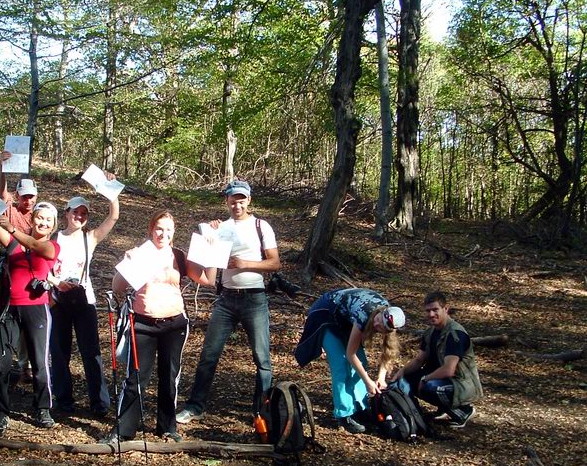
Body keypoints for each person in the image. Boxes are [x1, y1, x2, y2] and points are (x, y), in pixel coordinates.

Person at [101, 211, 215, 444]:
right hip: (142, 323)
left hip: (174, 324)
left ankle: (167, 427)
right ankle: (123, 430)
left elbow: (207, 280)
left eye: (169, 230)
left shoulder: (179, 256)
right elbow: (118, 287)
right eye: (159, 229)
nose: (163, 234)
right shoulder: (140, 253)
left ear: (174, 233)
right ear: (151, 229)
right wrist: (126, 265)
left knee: (169, 377)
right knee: (135, 378)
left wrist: (214, 255)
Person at [176, 179, 281, 425]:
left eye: (242, 199)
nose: (238, 203)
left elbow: (275, 263)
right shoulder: (220, 227)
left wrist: (245, 264)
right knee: (209, 355)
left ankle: (261, 411)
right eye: (233, 199)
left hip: (255, 298)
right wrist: (208, 234)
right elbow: (205, 256)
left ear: (249, 200)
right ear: (227, 201)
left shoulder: (260, 226)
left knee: (262, 358)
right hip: (226, 299)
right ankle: (195, 406)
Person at [0, 202, 60, 435]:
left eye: (48, 220)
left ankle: (42, 408)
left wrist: (12, 229)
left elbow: (35, 245)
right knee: (2, 362)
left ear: (54, 225)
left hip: (37, 308)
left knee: (40, 362)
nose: (43, 223)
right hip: (9, 308)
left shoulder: (52, 246)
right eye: (40, 218)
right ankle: (0, 413)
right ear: (33, 219)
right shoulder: (13, 242)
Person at [293, 288, 406, 434]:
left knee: (362, 363)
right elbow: (350, 354)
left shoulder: (392, 319)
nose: (377, 326)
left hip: (345, 319)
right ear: (379, 313)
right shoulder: (364, 314)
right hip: (325, 315)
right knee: (340, 363)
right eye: (378, 322)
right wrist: (367, 382)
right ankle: (344, 413)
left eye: (382, 328)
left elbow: (388, 352)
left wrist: (381, 378)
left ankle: (359, 408)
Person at [47, 193, 119, 416]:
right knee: (59, 352)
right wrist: (57, 283)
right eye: (75, 212)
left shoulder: (91, 238)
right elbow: (43, 270)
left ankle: (99, 403)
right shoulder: (53, 238)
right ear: (66, 212)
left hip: (84, 301)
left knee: (91, 353)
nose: (79, 216)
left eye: (83, 213)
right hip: (58, 301)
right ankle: (63, 401)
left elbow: (113, 216)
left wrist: (111, 192)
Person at [388, 291, 483, 429]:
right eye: (428, 311)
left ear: (446, 309)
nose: (431, 314)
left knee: (430, 387)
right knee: (406, 379)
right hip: (442, 379)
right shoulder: (430, 332)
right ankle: (423, 412)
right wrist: (401, 372)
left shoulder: (455, 334)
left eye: (435, 310)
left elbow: (449, 370)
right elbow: (420, 360)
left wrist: (425, 379)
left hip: (460, 384)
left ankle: (463, 411)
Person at [0, 150, 38, 384]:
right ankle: (19, 366)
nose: (28, 201)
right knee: (14, 321)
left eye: (31, 197)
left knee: (33, 322)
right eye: (24, 197)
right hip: (13, 270)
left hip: (34, 271)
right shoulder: (10, 210)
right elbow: (1, 192)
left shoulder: (39, 215)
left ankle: (31, 366)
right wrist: (1, 167)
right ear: (18, 196)